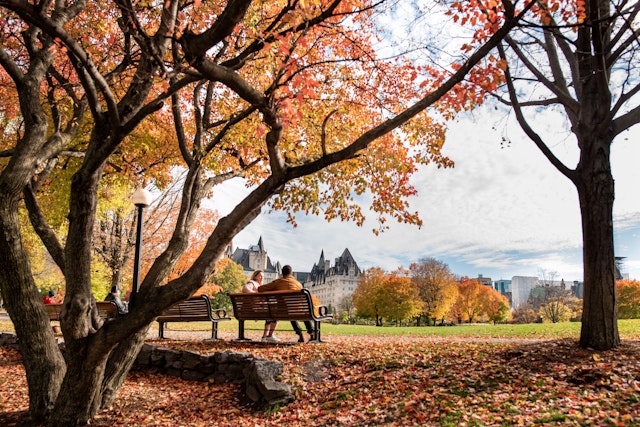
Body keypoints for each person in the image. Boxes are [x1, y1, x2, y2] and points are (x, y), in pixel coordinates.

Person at [258, 265, 315, 343]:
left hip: (283, 311)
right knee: (296, 311)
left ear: (282, 273)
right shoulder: (298, 284)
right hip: (298, 310)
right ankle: (312, 333)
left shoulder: (278, 282)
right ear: (291, 273)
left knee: (289, 311)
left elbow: (260, 289)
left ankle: (300, 334)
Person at [243, 270, 279, 342]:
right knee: (274, 314)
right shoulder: (252, 283)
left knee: (270, 314)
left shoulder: (259, 285)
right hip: (253, 309)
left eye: (263, 276)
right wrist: (255, 293)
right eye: (260, 276)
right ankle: (269, 336)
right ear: (255, 276)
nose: (262, 278)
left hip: (254, 309)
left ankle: (264, 337)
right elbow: (245, 289)